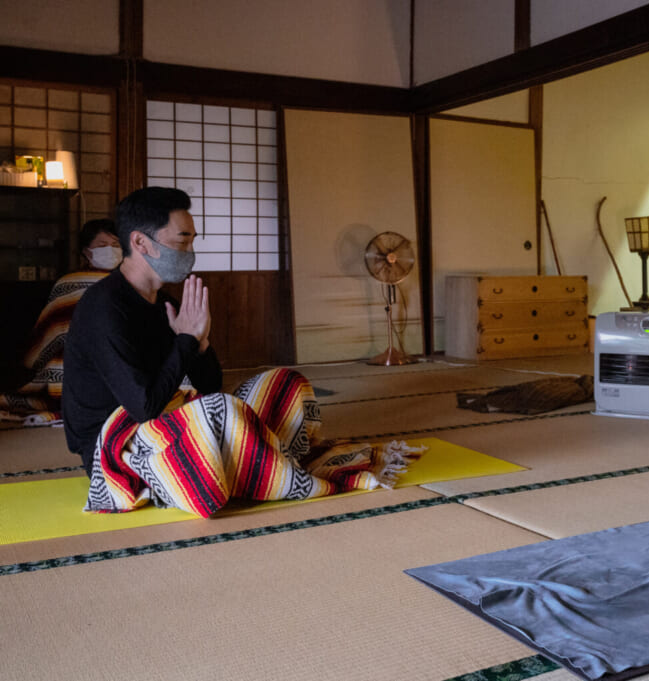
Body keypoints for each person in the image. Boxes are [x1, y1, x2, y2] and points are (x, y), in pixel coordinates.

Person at [63, 187, 413, 517]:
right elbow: (144, 406)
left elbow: (209, 386)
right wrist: (184, 340)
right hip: (114, 445)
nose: (189, 251)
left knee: (284, 383)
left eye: (192, 240)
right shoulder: (104, 308)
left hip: (168, 419)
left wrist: (200, 344)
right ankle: (261, 468)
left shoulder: (164, 304)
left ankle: (254, 465)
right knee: (221, 413)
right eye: (182, 240)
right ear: (141, 242)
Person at [0, 220, 121, 424]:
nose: (110, 250)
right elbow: (53, 330)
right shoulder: (68, 284)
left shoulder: (131, 283)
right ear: (86, 251)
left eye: (116, 245)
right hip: (71, 365)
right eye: (102, 246)